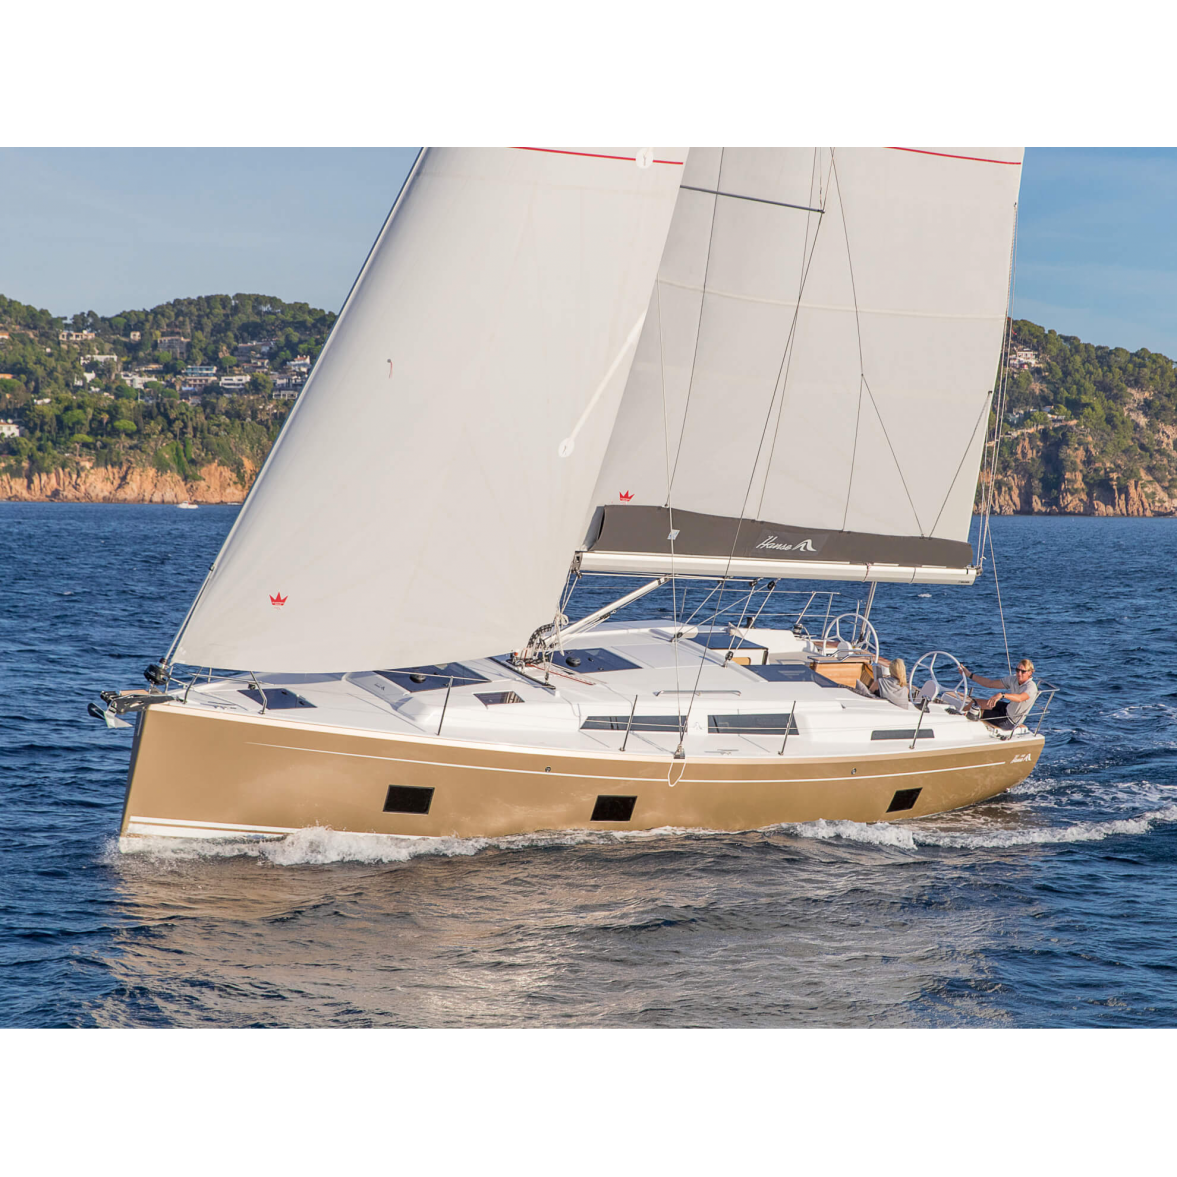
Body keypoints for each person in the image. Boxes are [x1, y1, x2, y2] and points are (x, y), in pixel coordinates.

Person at [961, 657, 1038, 728]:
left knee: (976, 712)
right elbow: (990, 683)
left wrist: (1002, 695)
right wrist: (969, 675)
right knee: (975, 702)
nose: (1019, 673)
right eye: (1017, 670)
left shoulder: (1031, 687)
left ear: (1030, 672)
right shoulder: (1013, 679)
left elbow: (1020, 698)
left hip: (1009, 720)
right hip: (1007, 708)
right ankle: (959, 713)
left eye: (1023, 671)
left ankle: (960, 720)